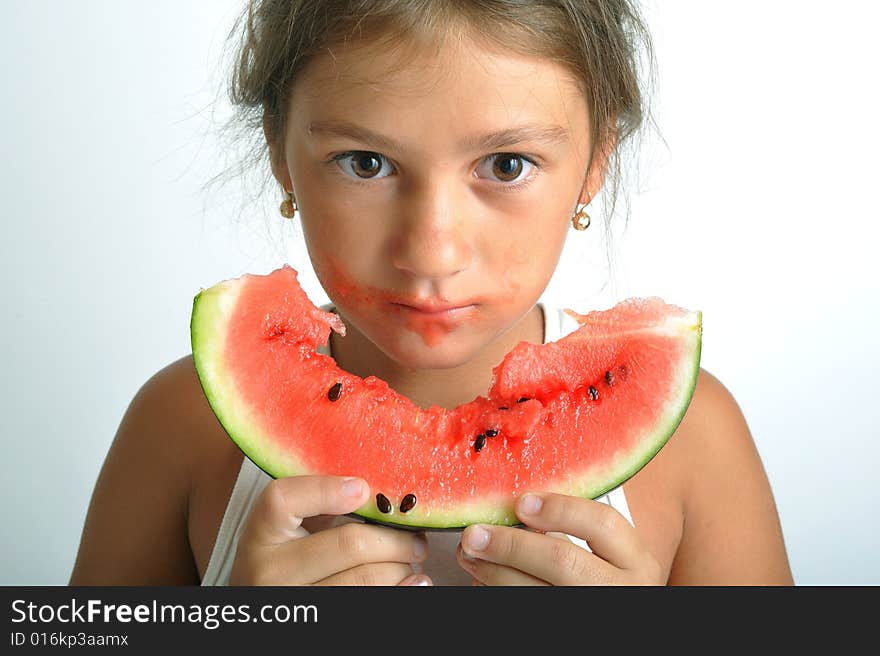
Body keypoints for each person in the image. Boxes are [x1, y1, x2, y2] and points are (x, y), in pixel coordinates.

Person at [69, 0, 793, 586]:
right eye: (365, 162)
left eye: (506, 164)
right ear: (279, 155)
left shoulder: (696, 442)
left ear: (595, 161)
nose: (431, 251)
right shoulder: (184, 426)